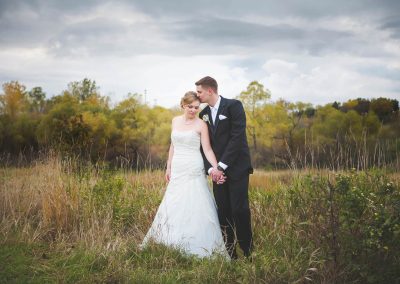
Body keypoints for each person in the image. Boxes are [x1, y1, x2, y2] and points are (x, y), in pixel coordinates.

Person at [141, 91, 229, 259]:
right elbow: (173, 146)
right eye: (190, 107)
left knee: (195, 201)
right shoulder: (175, 121)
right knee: (174, 201)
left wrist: (216, 167)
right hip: (178, 167)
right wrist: (168, 167)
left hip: (194, 166)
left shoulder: (201, 124)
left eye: (196, 107)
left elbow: (207, 149)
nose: (193, 110)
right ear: (182, 105)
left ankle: (197, 244)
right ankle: (169, 241)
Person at [196, 76, 253, 259]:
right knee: (223, 211)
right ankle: (230, 254)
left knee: (239, 209)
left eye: (199, 92)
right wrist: (212, 170)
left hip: (237, 168)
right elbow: (204, 147)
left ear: (210, 90)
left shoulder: (234, 106)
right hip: (217, 173)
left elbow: (237, 138)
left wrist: (221, 165)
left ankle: (248, 251)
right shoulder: (202, 115)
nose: (197, 95)